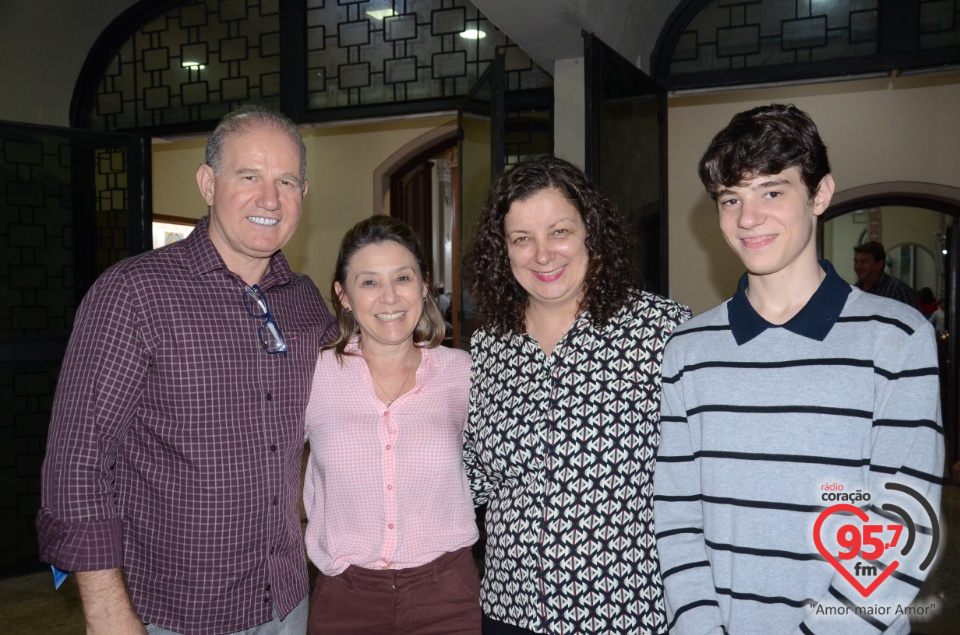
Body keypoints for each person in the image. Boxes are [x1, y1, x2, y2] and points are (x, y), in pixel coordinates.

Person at [37, 105, 336, 635]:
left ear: (303, 196)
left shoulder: (305, 304)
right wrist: (107, 612)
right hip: (173, 615)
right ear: (207, 182)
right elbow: (76, 466)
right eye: (249, 176)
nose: (269, 199)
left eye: (286, 181)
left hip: (286, 601)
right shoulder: (133, 294)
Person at [654, 104, 943, 634]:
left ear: (820, 194)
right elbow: (676, 516)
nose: (747, 218)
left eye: (772, 191)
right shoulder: (687, 349)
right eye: (730, 199)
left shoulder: (897, 338)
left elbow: (903, 526)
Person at [463, 156, 691, 635]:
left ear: (592, 232)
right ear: (502, 251)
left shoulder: (663, 332)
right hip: (510, 611)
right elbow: (471, 481)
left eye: (559, 231)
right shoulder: (488, 346)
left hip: (627, 612)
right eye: (521, 239)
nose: (542, 254)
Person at [303, 215, 480, 634]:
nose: (389, 298)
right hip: (345, 597)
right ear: (343, 295)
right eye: (369, 282)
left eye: (402, 277)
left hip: (448, 597)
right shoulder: (313, 375)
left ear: (424, 285)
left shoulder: (464, 373)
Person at [853, 240, 919, 309]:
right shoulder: (855, 290)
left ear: (879, 264)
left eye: (864, 262)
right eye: (856, 262)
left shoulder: (897, 289)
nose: (858, 267)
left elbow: (914, 318)